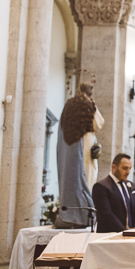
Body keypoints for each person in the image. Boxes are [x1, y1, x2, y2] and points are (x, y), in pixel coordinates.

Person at [55, 83, 102, 228]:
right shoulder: (88, 104)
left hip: (71, 145)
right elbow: (98, 124)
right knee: (86, 178)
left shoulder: (69, 105)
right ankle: (82, 214)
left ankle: (69, 214)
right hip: (85, 145)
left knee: (71, 179)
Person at [92, 153, 135, 233]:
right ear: (114, 167)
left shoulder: (132, 186)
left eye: (130, 168)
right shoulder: (101, 187)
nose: (128, 172)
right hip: (111, 234)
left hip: (132, 234)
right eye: (125, 168)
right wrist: (124, 231)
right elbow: (106, 214)